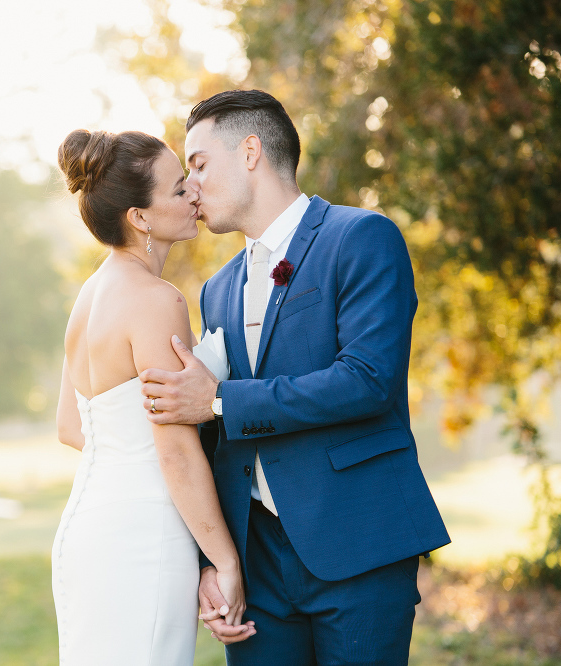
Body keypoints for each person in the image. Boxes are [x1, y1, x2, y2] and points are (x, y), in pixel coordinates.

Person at [140, 89, 451, 665]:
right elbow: (216, 440)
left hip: (358, 548)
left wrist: (219, 403)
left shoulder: (361, 238)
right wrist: (214, 558)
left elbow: (366, 381)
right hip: (257, 566)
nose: (191, 186)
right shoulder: (219, 288)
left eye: (200, 164)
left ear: (251, 151)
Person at [52, 128, 255, 665]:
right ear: (139, 217)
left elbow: (72, 428)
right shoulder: (155, 299)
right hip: (143, 536)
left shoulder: (90, 296)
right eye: (177, 188)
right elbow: (174, 449)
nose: (193, 193)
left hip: (89, 526)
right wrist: (224, 561)